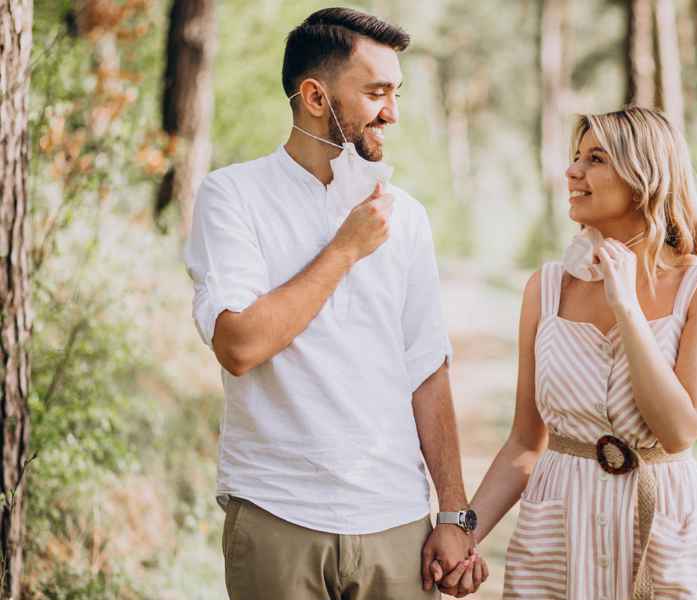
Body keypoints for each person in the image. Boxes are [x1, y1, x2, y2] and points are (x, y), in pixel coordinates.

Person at [184, 7, 485, 599]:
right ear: (315, 97)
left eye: (395, 92)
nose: (392, 112)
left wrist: (454, 514)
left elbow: (427, 368)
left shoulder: (407, 217)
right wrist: (346, 249)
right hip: (276, 515)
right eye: (376, 92)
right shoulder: (232, 196)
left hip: (396, 520)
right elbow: (239, 346)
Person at [465, 106, 697, 600]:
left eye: (595, 159)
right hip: (558, 532)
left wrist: (626, 307)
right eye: (576, 156)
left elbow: (679, 430)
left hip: (661, 524)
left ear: (645, 177)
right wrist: (463, 534)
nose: (572, 171)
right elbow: (524, 443)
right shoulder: (546, 288)